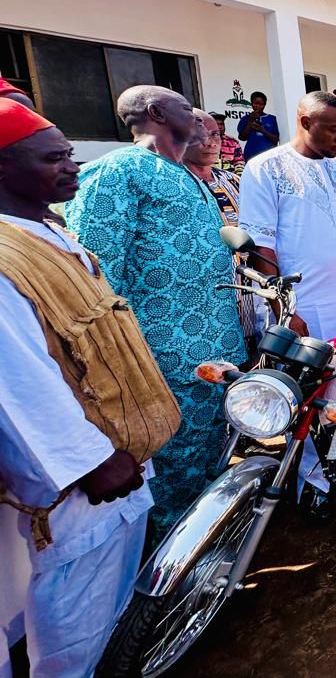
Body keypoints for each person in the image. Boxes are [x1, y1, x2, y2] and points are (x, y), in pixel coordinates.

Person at [0, 102, 179, 677]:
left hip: (119, 459)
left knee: (109, 606)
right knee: (75, 621)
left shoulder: (48, 230)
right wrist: (91, 463)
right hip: (82, 483)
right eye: (53, 158)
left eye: (69, 154)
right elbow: (17, 385)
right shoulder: (4, 257)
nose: (72, 166)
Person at [66, 85, 246, 539]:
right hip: (163, 362)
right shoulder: (117, 171)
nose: (201, 119)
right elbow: (96, 276)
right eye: (187, 109)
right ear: (156, 113)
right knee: (170, 479)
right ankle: (167, 566)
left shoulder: (188, 175)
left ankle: (206, 553)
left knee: (209, 463)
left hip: (215, 355)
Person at [240, 92, 336, 341]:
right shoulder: (266, 168)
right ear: (306, 122)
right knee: (319, 364)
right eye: (334, 130)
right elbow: (261, 246)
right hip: (305, 302)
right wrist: (285, 310)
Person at [185, 109, 264, 352]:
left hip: (248, 287)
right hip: (205, 295)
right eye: (200, 136)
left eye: (215, 135)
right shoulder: (177, 183)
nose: (210, 143)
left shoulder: (234, 181)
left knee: (255, 352)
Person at [237, 91, 280, 161]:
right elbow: (242, 137)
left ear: (265, 104)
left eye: (261, 104)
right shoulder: (245, 118)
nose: (257, 106)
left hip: (269, 157)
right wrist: (250, 121)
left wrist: (262, 130)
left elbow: (276, 140)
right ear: (251, 103)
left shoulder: (272, 119)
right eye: (255, 103)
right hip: (251, 156)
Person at [209, 111, 245, 175]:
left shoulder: (233, 142)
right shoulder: (202, 142)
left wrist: (238, 176)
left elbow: (239, 162)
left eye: (221, 124)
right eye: (216, 124)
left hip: (229, 177)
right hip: (208, 177)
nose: (220, 127)